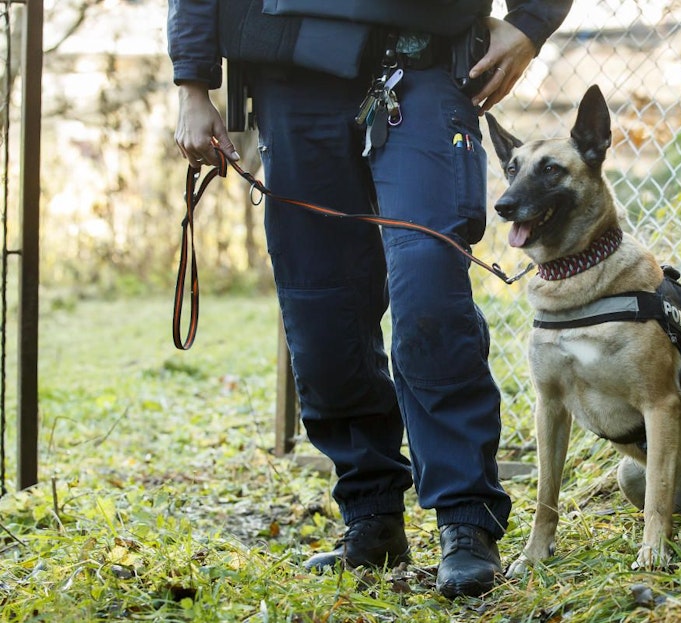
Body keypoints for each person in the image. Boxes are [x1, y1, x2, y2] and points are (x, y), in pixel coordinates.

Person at [167, 0, 572, 599]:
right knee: (321, 308)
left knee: (428, 286)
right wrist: (192, 83)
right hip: (292, 76)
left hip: (422, 66)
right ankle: (372, 513)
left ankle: (466, 521)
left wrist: (532, 22)